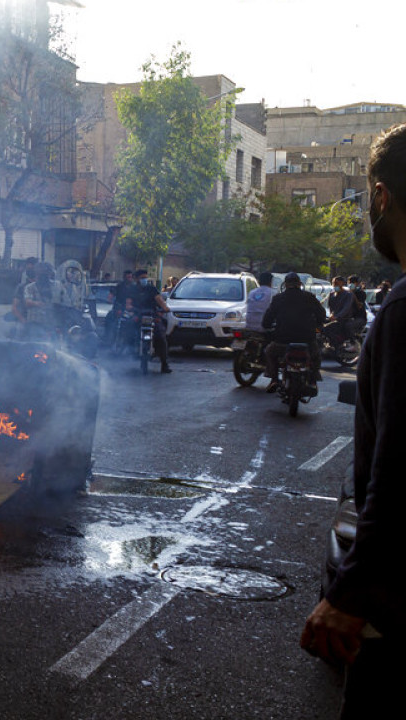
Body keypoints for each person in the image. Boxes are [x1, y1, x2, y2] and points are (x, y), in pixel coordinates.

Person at [302, 122, 406, 718]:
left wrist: (351, 590)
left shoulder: (405, 308)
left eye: (368, 195)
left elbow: (400, 466)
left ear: (383, 197)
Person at [262, 272, 325, 393]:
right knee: (316, 355)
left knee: (270, 352)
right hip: (307, 341)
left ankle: (274, 379)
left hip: (282, 341)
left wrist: (267, 326)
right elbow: (321, 315)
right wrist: (318, 323)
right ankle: (312, 381)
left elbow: (267, 319)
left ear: (285, 285)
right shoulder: (309, 297)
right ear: (300, 284)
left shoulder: (278, 298)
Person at [130, 268, 172, 373]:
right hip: (138, 316)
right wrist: (130, 309)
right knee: (128, 329)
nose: (144, 280)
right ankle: (128, 349)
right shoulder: (132, 290)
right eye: (142, 278)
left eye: (145, 278)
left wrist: (165, 308)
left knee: (161, 336)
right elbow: (128, 303)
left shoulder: (151, 289)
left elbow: (160, 300)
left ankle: (164, 364)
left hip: (152, 316)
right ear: (136, 279)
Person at [22, 262, 63, 341]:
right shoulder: (30, 287)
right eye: (41, 274)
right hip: (35, 325)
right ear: (36, 274)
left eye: (46, 274)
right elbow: (27, 302)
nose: (43, 277)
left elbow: (64, 302)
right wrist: (38, 304)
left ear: (51, 274)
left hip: (52, 324)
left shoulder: (57, 286)